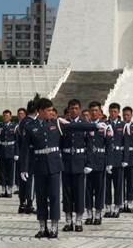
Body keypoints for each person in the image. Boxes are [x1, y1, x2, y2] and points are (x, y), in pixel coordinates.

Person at [19, 98, 106, 239]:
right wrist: (23, 168)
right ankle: (42, 227)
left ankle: (54, 227)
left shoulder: (57, 123)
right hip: (39, 165)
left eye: (52, 110)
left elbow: (74, 127)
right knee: (41, 198)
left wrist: (94, 127)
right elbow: (25, 149)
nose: (51, 113)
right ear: (40, 111)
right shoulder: (30, 126)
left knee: (54, 197)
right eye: (48, 110)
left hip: (54, 165)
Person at [61, 99, 91, 232]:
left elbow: (89, 145)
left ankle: (78, 220)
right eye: (71, 108)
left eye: (76, 108)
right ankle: (68, 220)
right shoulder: (63, 125)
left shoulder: (85, 124)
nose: (74, 110)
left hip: (79, 161)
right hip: (66, 161)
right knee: (67, 193)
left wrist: (88, 163)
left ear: (79, 109)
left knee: (79, 192)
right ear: (68, 110)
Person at [85, 101, 109, 225]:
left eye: (96, 111)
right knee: (87, 189)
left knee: (99, 189)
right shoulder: (85, 126)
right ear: (89, 112)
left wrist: (109, 162)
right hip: (87, 162)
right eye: (92, 111)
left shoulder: (105, 126)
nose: (94, 113)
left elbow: (109, 145)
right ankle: (89, 214)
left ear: (100, 113)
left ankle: (98, 214)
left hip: (100, 161)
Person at [104, 102, 128, 218]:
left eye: (115, 111)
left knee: (118, 185)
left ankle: (117, 207)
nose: (113, 113)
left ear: (118, 112)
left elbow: (126, 144)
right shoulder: (104, 124)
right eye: (111, 111)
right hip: (107, 158)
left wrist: (125, 159)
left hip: (118, 158)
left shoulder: (123, 125)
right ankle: (108, 207)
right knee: (107, 185)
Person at [17, 103, 36, 214]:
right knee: (30, 180)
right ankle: (29, 204)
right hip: (31, 154)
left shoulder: (22, 122)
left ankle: (22, 204)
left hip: (22, 154)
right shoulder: (31, 123)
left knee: (23, 180)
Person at [122, 106, 133, 214]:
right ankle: (122, 203)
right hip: (121, 156)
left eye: (128, 115)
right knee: (121, 182)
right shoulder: (119, 126)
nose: (126, 117)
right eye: (124, 115)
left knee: (130, 181)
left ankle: (130, 203)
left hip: (132, 156)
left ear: (131, 115)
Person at [0, 109, 18, 198]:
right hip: (2, 151)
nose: (5, 117)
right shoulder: (0, 126)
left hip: (11, 151)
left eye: (7, 116)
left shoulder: (15, 127)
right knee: (2, 171)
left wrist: (16, 153)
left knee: (10, 171)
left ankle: (9, 190)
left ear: (10, 117)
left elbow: (17, 141)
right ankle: (3, 189)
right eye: (4, 116)